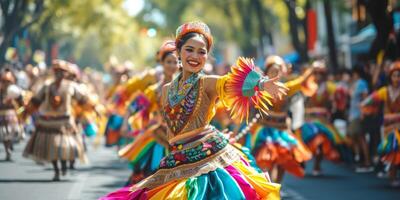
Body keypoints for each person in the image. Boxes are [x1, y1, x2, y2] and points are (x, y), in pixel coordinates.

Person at [101, 21, 286, 200]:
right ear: (178, 53)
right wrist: (128, 122)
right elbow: (140, 106)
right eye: (189, 49)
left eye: (201, 52)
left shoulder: (207, 83)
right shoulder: (164, 89)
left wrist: (261, 84)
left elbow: (229, 83)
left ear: (206, 57)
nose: (195, 56)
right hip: (175, 157)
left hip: (207, 159)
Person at [118, 40, 178, 185]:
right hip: (157, 136)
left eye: (175, 62)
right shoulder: (154, 90)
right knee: (151, 172)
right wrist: (125, 124)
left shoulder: (183, 88)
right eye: (168, 62)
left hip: (178, 136)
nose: (172, 65)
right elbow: (133, 107)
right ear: (162, 64)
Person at [246, 56, 312, 183]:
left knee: (282, 161)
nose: (275, 74)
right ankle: (271, 188)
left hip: (282, 131)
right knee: (268, 161)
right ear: (267, 73)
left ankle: (277, 187)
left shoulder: (285, 87)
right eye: (272, 71)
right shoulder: (260, 88)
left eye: (278, 72)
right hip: (265, 132)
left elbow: (301, 81)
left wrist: (311, 70)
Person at [23, 60, 89, 181]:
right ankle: (56, 170)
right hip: (49, 122)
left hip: (65, 122)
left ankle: (64, 164)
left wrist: (91, 108)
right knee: (52, 147)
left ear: (66, 74)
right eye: (57, 71)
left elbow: (83, 100)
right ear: (54, 73)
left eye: (62, 72)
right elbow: (36, 100)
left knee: (63, 147)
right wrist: (26, 110)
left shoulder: (71, 86)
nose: (59, 74)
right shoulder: (47, 86)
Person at [361, 61, 400, 187]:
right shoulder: (384, 91)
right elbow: (368, 102)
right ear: (390, 77)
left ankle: (391, 172)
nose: (397, 78)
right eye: (395, 75)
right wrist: (370, 109)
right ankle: (392, 175)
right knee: (393, 150)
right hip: (388, 127)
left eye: (399, 75)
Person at [347, 66, 372, 172]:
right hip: (353, 114)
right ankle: (361, 159)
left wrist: (363, 112)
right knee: (356, 137)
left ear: (356, 73)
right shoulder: (355, 83)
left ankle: (366, 162)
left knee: (361, 137)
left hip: (358, 114)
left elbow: (365, 98)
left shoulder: (361, 83)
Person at [0, 68, 24, 161]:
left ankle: (9, 147)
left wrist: (20, 114)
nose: (6, 83)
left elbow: (21, 104)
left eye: (8, 81)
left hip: (12, 116)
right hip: (2, 116)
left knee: (11, 134)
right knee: (4, 134)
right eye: (4, 81)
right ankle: (7, 150)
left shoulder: (15, 90)